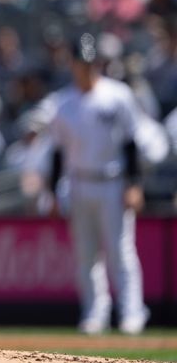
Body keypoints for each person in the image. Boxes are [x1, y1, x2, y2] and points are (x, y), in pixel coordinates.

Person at [48, 33, 149, 335]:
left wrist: (134, 184)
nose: (86, 68)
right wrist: (53, 192)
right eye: (81, 62)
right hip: (79, 182)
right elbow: (57, 152)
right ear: (73, 64)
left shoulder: (117, 95)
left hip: (113, 181)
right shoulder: (63, 103)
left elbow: (131, 143)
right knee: (86, 253)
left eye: (91, 62)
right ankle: (95, 313)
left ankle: (132, 312)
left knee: (121, 250)